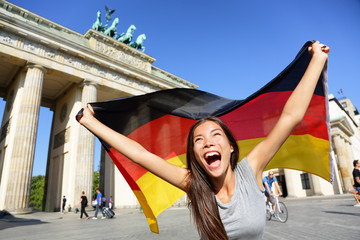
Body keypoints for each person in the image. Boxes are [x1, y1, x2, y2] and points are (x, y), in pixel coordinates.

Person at [79, 42, 329, 239]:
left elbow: (290, 116)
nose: (208, 142)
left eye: (216, 135)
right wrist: (92, 123)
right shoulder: (194, 185)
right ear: (194, 153)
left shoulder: (251, 170)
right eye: (198, 139)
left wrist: (317, 59)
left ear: (231, 146)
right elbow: (141, 155)